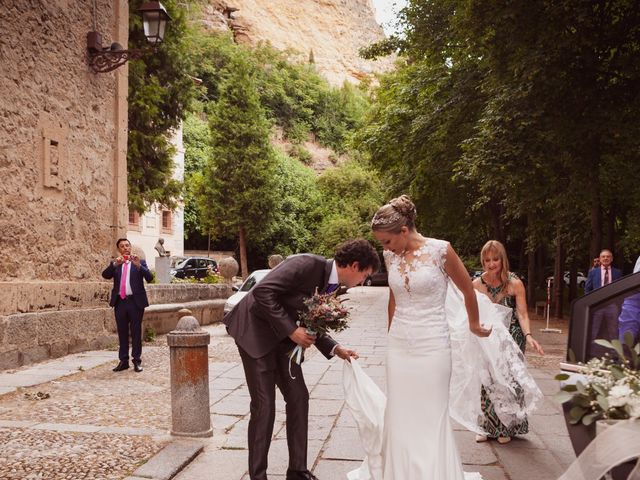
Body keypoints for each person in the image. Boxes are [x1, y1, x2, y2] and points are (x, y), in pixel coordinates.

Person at [223, 239, 380, 480]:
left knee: (299, 398)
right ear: (355, 265)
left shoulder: (335, 287)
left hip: (284, 343)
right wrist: (291, 330)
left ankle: (297, 471)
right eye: (365, 275)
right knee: (264, 406)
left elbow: (312, 321)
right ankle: (258, 476)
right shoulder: (306, 264)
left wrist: (336, 348)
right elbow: (264, 292)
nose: (363, 281)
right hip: (254, 333)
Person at [369, 195, 491, 480]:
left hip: (433, 342)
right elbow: (394, 298)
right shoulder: (390, 256)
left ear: (403, 230)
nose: (384, 248)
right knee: (400, 411)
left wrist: (473, 323)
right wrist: (390, 338)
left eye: (387, 241)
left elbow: (468, 290)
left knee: (431, 411)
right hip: (399, 344)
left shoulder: (441, 250)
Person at [472, 240, 545, 444]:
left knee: (509, 382)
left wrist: (529, 336)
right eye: (487, 260)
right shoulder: (477, 284)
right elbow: (469, 312)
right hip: (487, 338)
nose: (491, 263)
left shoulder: (515, 283)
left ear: (502, 259)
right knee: (487, 380)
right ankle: (486, 427)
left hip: (512, 338)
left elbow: (522, 314)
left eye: (495, 259)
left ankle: (507, 427)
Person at [101, 238, 153, 373]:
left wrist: (138, 266)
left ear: (130, 247)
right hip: (120, 302)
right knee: (122, 332)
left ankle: (137, 361)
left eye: (127, 245)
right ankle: (123, 361)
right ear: (119, 249)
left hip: (135, 303)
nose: (125, 248)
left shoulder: (139, 262)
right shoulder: (116, 264)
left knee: (136, 332)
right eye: (122, 246)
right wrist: (113, 264)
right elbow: (105, 275)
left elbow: (150, 278)